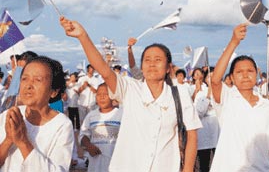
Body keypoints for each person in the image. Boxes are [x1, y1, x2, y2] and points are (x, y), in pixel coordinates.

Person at [60, 16, 202, 172]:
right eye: (147, 60)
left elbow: (192, 135)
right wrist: (83, 36)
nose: (152, 64)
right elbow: (104, 71)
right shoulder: (130, 89)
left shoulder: (180, 94)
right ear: (141, 66)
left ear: (168, 67)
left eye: (158, 59)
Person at [210, 23, 269, 172]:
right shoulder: (227, 99)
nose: (245, 75)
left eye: (250, 71)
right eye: (239, 72)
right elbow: (215, 80)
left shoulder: (268, 107)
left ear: (256, 74)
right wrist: (234, 41)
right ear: (232, 77)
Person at [0, 56, 74, 171]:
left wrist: (23, 141)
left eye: (38, 80)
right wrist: (9, 139)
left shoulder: (62, 125)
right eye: (24, 79)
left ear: (54, 91)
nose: (28, 85)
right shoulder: (9, 115)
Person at [79, 83, 122, 172]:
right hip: (95, 166)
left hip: (117, 165)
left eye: (105, 94)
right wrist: (88, 145)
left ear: (113, 96)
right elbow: (82, 135)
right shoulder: (91, 115)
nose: (102, 97)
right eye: (98, 94)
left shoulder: (121, 114)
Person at [190, 68, 219, 172]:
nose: (211, 79)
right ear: (206, 78)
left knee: (219, 163)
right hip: (204, 130)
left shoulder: (220, 91)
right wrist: (207, 97)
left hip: (217, 130)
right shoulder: (197, 91)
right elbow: (199, 111)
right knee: (204, 163)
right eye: (209, 76)